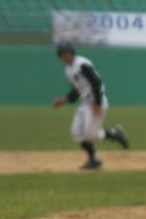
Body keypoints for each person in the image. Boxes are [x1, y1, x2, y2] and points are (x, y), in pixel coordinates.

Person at [52, 39, 129, 169]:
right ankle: (93, 159)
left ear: (72, 52)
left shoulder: (82, 64)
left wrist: (97, 103)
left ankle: (114, 134)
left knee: (90, 135)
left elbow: (96, 82)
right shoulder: (68, 71)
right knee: (76, 133)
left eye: (67, 53)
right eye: (62, 54)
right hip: (85, 103)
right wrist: (64, 100)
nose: (65, 56)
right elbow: (77, 91)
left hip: (96, 102)